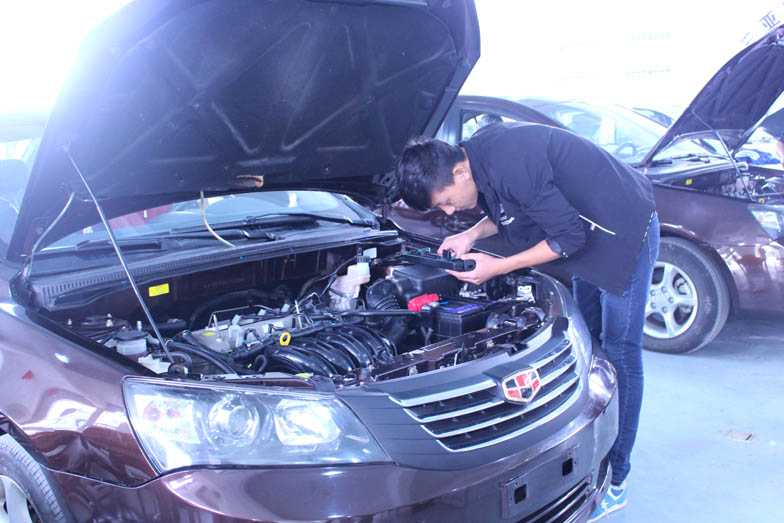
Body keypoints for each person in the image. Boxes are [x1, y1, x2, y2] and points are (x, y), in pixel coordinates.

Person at [394, 122, 659, 522]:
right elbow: (513, 212)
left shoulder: (511, 161)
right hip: (584, 232)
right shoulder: (477, 159)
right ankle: (589, 450)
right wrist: (469, 236)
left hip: (622, 230)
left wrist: (498, 266)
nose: (449, 211)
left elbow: (568, 238)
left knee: (620, 352)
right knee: (593, 347)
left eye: (446, 201)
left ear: (459, 172)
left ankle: (617, 477)